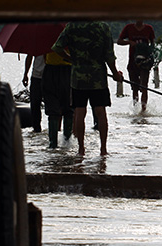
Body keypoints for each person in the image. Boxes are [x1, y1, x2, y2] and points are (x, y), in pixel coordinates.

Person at [52, 21, 123, 156]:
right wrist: (115, 74)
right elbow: (109, 55)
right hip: (98, 78)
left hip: (78, 78)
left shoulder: (72, 26)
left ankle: (81, 149)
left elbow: (56, 48)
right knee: (100, 112)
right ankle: (103, 149)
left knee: (79, 112)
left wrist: (70, 59)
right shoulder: (103, 27)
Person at [117, 21, 155, 111]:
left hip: (145, 61)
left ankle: (143, 110)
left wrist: (149, 52)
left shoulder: (149, 28)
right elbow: (119, 41)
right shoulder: (128, 28)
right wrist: (130, 42)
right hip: (132, 61)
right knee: (134, 88)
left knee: (144, 86)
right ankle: (135, 109)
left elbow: (153, 43)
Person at [42, 51, 73, 148]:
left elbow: (44, 55)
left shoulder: (47, 37)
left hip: (53, 69)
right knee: (67, 108)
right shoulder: (70, 36)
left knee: (56, 109)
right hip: (63, 69)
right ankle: (66, 142)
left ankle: (53, 144)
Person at [22, 54, 45, 132]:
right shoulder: (35, 43)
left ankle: (55, 130)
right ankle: (36, 128)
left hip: (49, 75)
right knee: (35, 104)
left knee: (52, 106)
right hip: (36, 76)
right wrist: (25, 74)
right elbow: (29, 56)